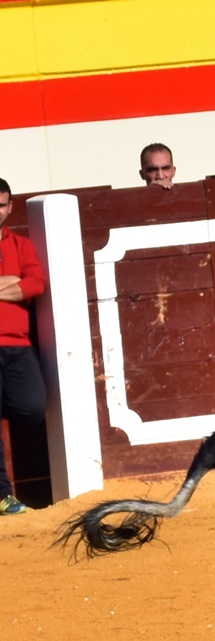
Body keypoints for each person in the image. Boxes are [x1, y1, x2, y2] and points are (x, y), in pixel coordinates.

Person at [0, 177, 47, 516]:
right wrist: (10, 284)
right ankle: (3, 495)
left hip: (17, 345)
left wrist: (20, 284)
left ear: (10, 206)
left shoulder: (20, 245)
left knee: (32, 406)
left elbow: (35, 284)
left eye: (0, 205)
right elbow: (22, 284)